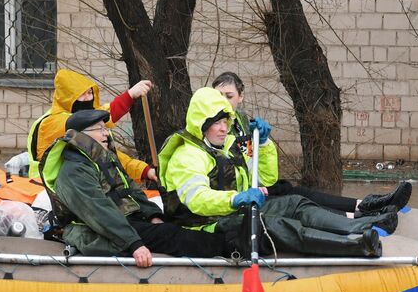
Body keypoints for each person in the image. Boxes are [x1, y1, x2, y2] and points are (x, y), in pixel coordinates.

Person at [157, 87, 396, 258]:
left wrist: (263, 144)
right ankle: (357, 247)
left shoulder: (227, 146)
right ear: (201, 123)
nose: (223, 128)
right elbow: (197, 200)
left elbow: (267, 179)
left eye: (225, 122)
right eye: (216, 123)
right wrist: (235, 199)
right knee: (276, 225)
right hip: (205, 227)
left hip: (236, 210)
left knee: (294, 203)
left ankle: (362, 225)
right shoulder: (186, 156)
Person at [210, 72, 412, 219]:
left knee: (295, 191)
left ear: (241, 96)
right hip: (236, 196)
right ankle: (360, 216)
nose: (223, 102)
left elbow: (264, 174)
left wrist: (263, 143)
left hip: (251, 188)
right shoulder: (211, 127)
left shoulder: (242, 123)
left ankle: (364, 205)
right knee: (296, 200)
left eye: (229, 96)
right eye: (218, 96)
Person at [41, 108, 226, 266]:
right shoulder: (74, 172)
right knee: (172, 236)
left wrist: (153, 215)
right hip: (96, 232)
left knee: (170, 228)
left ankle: (227, 243)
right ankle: (229, 249)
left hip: (125, 223)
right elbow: (99, 212)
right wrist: (134, 243)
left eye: (105, 128)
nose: (106, 134)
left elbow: (131, 191)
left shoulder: (102, 160)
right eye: (100, 129)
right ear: (81, 135)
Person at [26, 69, 157, 183]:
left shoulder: (83, 123)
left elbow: (111, 157)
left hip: (77, 185)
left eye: (89, 93)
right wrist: (129, 96)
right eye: (81, 95)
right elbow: (90, 120)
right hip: (47, 189)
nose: (88, 98)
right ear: (67, 98)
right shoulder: (53, 123)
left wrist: (145, 171)